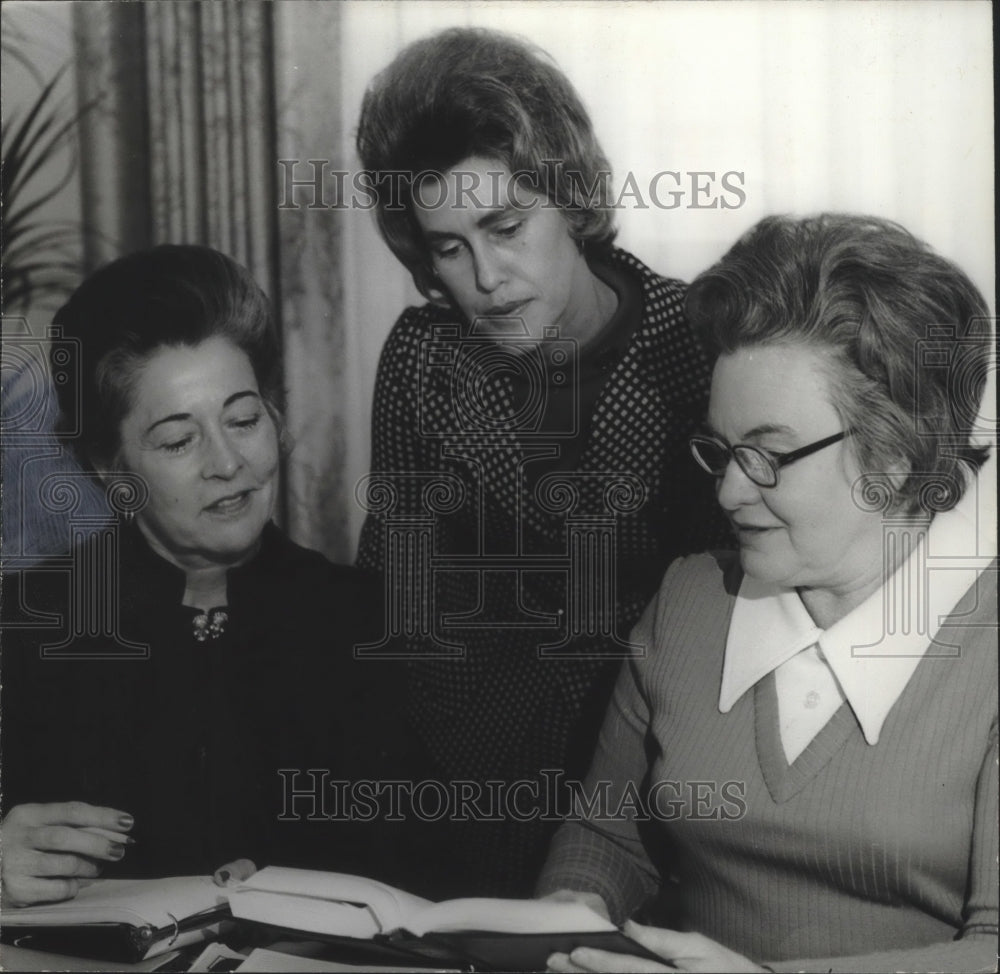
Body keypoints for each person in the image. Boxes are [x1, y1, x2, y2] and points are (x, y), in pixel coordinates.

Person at [537, 214, 997, 972]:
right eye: (720, 449)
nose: (726, 490)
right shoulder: (689, 600)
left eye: (769, 455)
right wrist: (570, 913)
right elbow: (608, 836)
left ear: (899, 453)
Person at [354, 27, 729, 897]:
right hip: (464, 788)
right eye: (449, 247)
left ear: (572, 198)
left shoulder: (696, 350)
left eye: (506, 226)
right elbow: (390, 590)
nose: (485, 276)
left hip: (656, 795)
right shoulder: (420, 357)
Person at [0, 245, 402, 908]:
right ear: (110, 467)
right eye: (178, 440)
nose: (227, 462)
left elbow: (420, 872)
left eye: (243, 420)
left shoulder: (364, 620)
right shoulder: (26, 622)